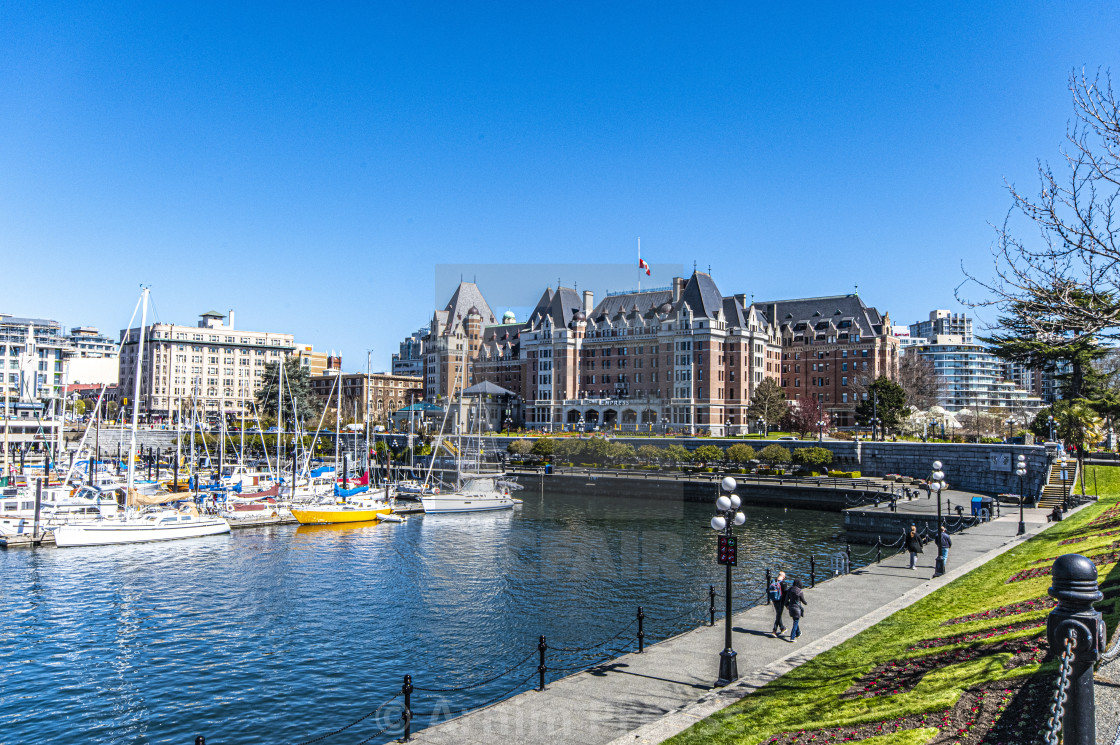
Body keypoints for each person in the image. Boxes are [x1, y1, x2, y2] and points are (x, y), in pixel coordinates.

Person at [768, 571, 787, 636]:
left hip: (774, 600)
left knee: (778, 614)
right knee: (778, 615)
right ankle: (774, 630)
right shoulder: (783, 583)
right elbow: (785, 594)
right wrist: (786, 604)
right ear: (783, 577)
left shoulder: (773, 581)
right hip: (780, 601)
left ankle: (782, 628)